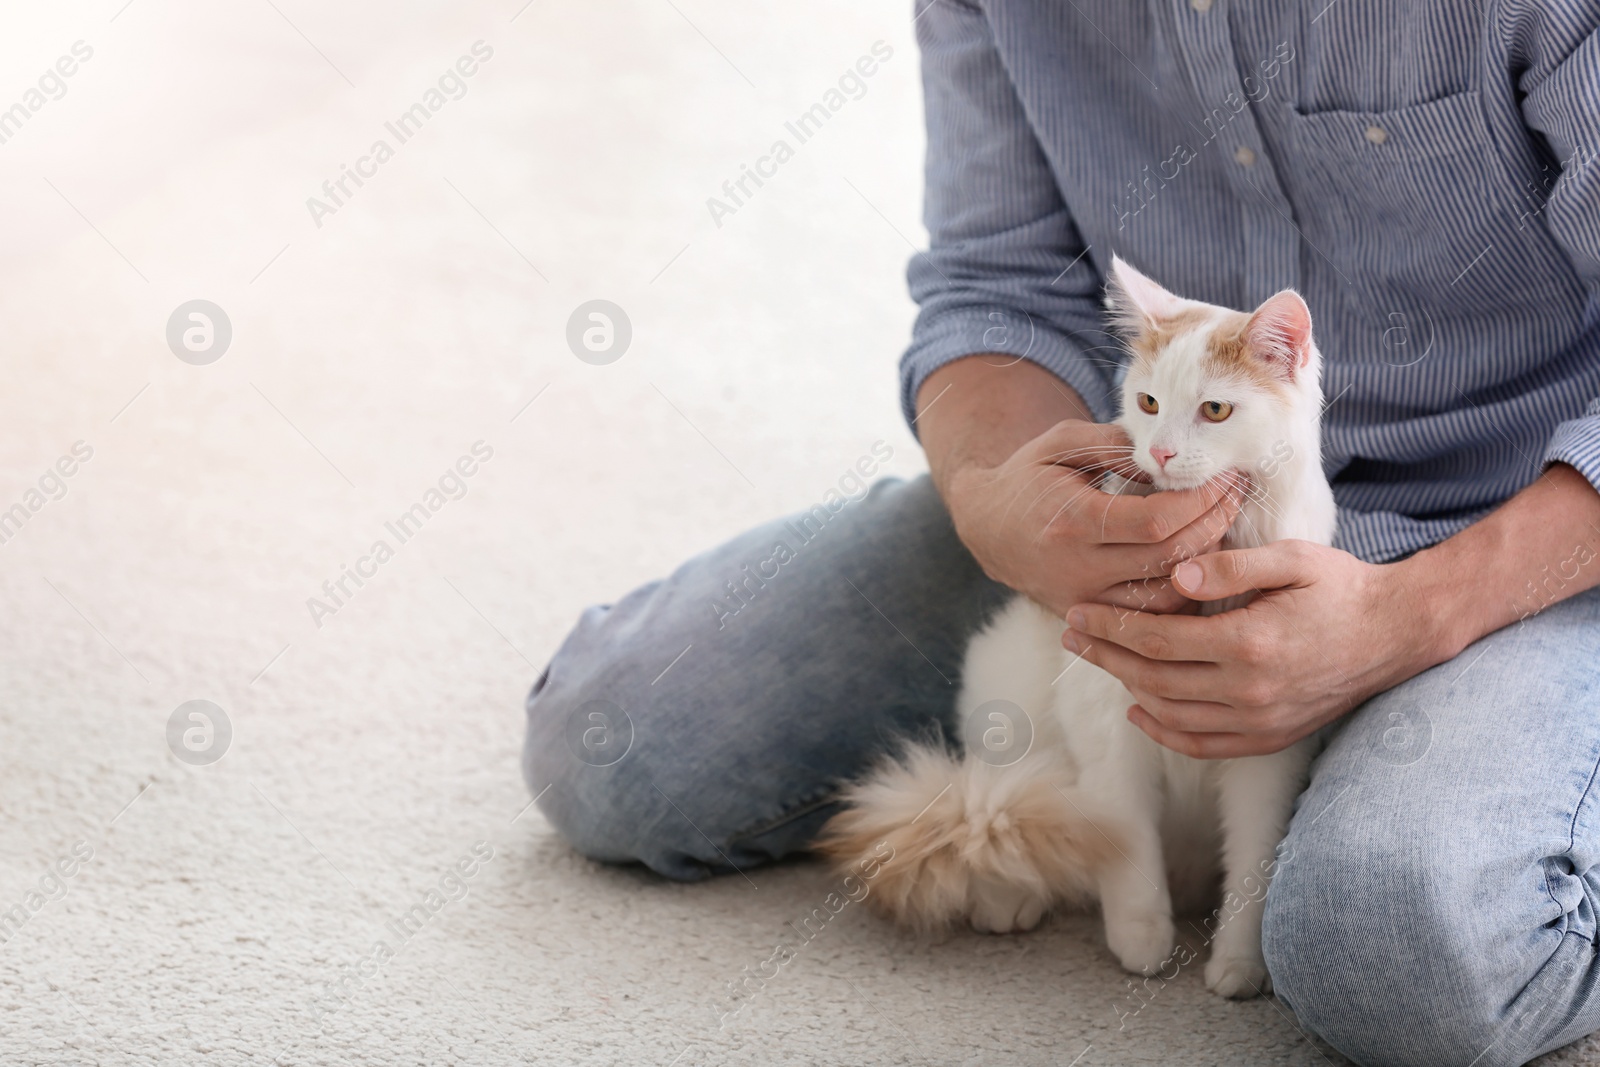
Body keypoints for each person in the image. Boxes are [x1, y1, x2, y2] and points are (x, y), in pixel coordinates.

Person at [523, 3, 1600, 1064]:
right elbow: (992, 283)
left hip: (1518, 523)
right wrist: (1005, 509)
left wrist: (1410, 614)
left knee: (1400, 954)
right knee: (613, 750)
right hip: (1134, 484)